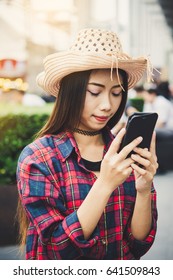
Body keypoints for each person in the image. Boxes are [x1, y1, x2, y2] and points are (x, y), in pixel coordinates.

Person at [16, 28, 158, 260]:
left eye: (116, 93)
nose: (107, 105)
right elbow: (56, 247)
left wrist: (143, 189)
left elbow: (138, 244)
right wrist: (104, 184)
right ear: (71, 92)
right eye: (95, 91)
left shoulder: (124, 152)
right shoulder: (38, 158)